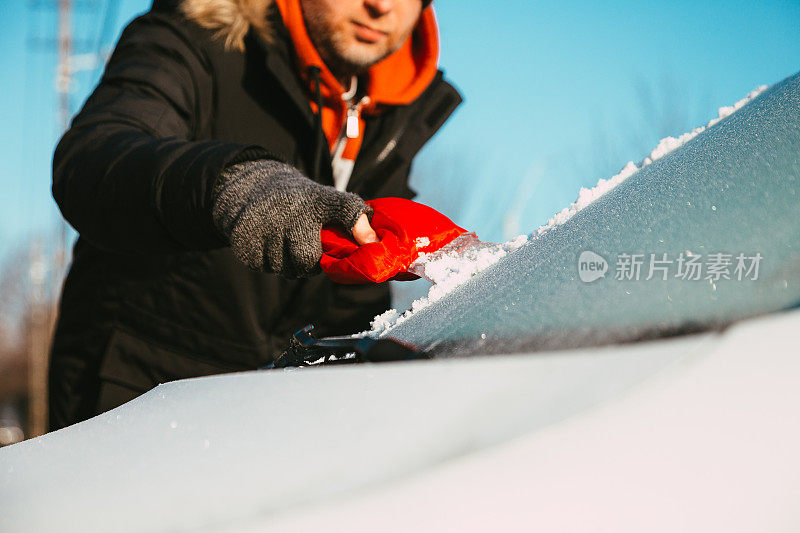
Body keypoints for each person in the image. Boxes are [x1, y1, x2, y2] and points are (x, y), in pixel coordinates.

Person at [48, 0, 461, 430]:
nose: (381, 5)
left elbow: (353, 305)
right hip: (132, 402)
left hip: (281, 424)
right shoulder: (193, 33)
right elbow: (95, 157)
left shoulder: (395, 108)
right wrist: (235, 186)